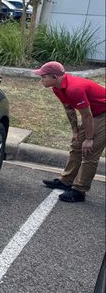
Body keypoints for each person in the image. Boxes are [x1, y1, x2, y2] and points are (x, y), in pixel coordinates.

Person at [34, 61, 106, 202]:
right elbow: (69, 109)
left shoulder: (74, 89)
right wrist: (75, 132)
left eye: (43, 76)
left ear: (54, 77)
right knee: (76, 147)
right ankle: (66, 181)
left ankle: (79, 190)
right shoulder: (57, 88)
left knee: (89, 152)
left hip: (102, 114)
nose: (41, 79)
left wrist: (89, 138)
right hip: (93, 115)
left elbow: (87, 115)